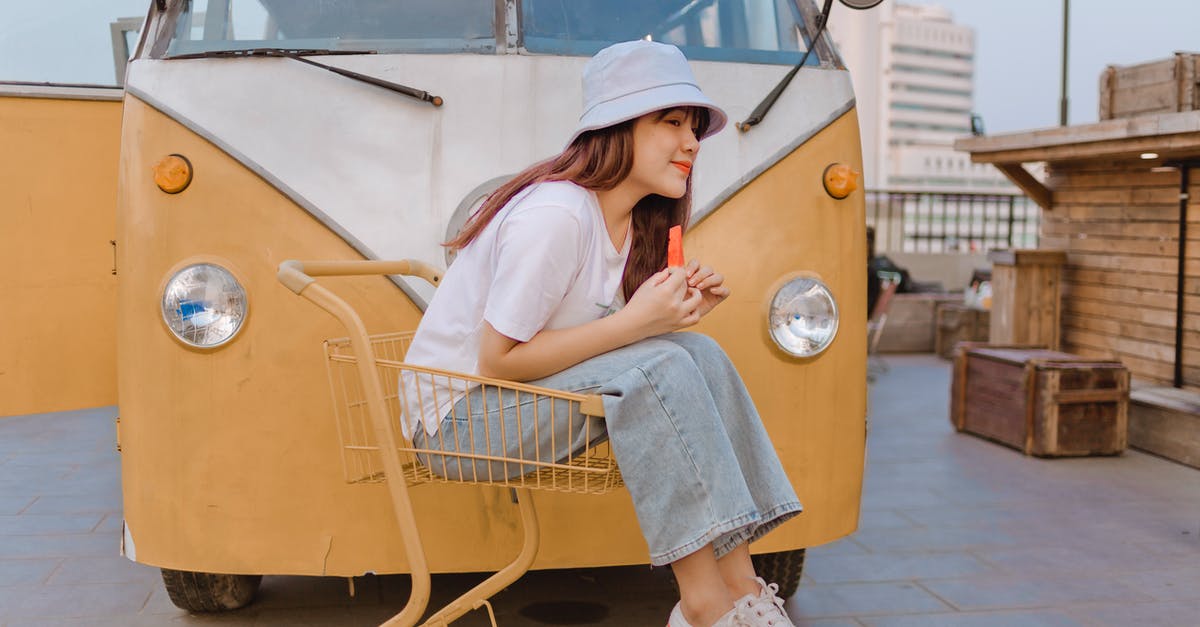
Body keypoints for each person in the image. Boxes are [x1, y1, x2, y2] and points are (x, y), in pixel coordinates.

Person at [403, 40, 802, 627]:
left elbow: (601, 345)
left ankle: (743, 592)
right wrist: (637, 325)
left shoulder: (626, 224)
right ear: (616, 128)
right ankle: (703, 606)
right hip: (458, 420)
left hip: (515, 405)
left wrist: (671, 318)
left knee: (698, 354)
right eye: (671, 122)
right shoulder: (558, 216)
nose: (691, 142)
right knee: (660, 367)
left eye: (693, 126)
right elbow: (497, 361)